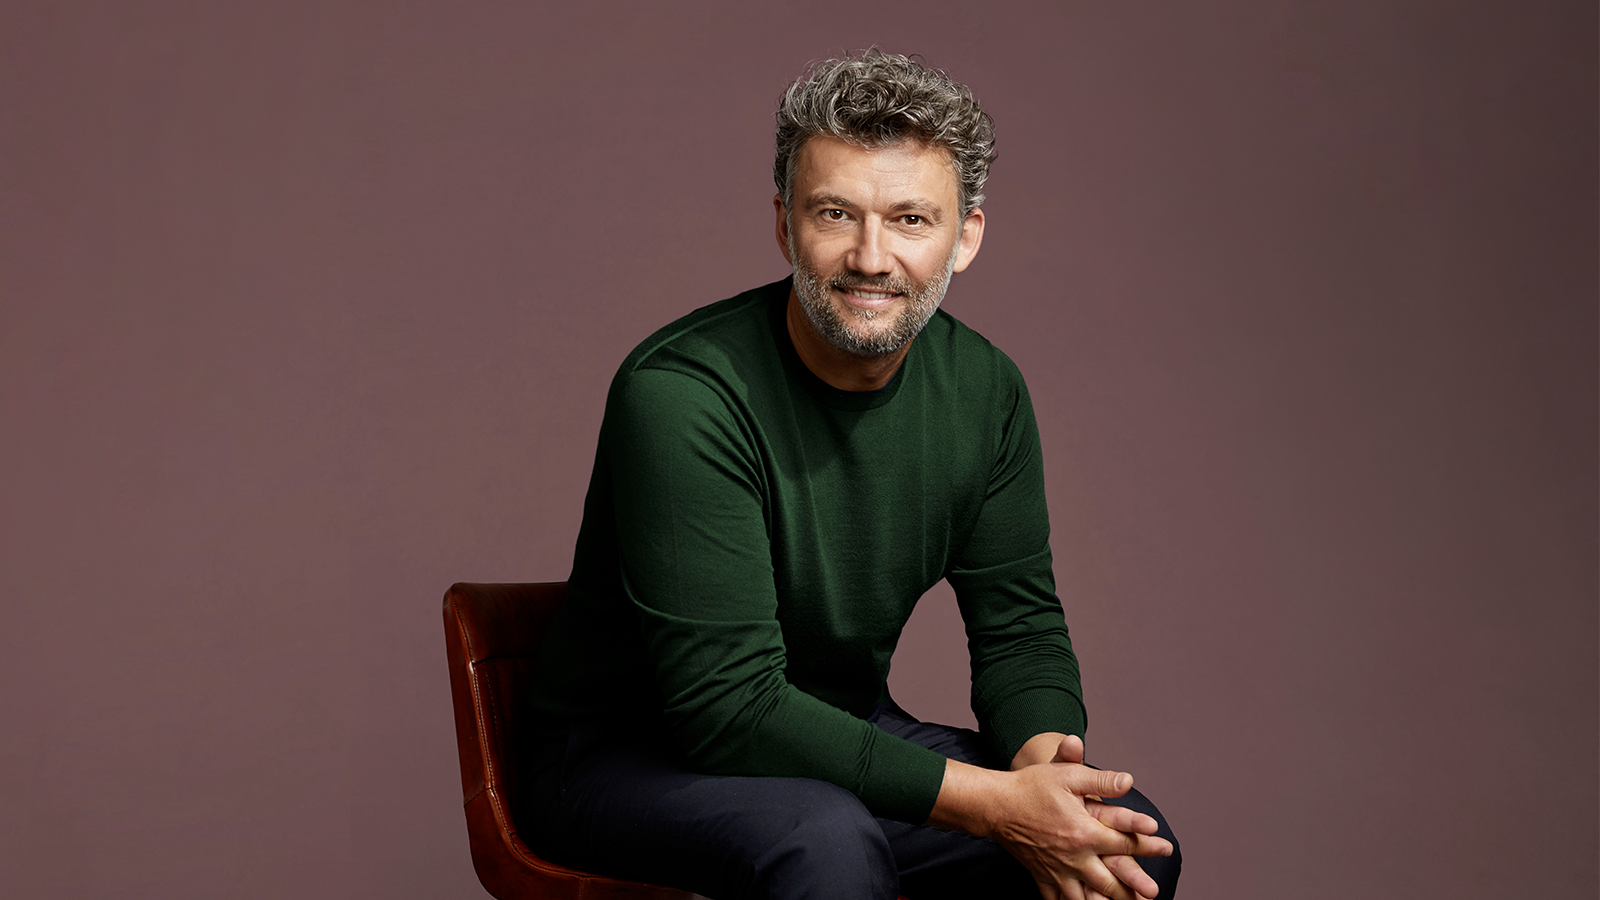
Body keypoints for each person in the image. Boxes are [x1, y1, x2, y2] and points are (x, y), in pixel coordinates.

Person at [524, 50, 1181, 900]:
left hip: (835, 735)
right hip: (623, 757)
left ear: (967, 236)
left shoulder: (987, 392)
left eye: (910, 220)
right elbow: (728, 710)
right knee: (822, 844)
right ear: (784, 222)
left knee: (1129, 852)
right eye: (836, 213)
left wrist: (1043, 777)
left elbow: (1019, 630)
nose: (871, 258)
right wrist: (998, 808)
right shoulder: (683, 395)